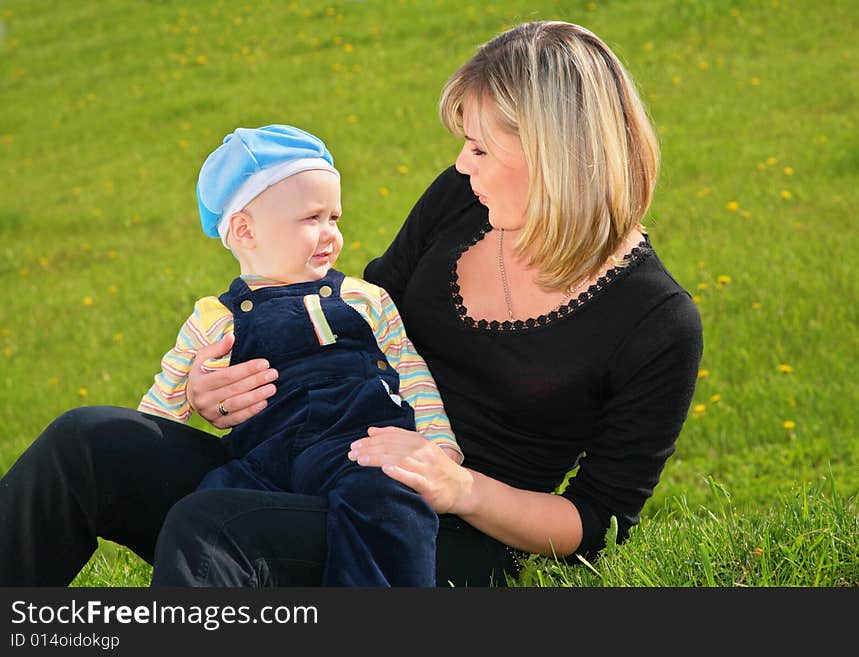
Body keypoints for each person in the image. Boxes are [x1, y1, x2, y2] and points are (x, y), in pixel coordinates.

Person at [0, 20, 702, 588]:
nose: (461, 164)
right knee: (84, 443)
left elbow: (595, 523)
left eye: (479, 147)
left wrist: (459, 487)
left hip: (439, 534)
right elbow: (361, 317)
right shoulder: (464, 201)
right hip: (312, 451)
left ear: (555, 157)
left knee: (213, 528)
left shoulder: (656, 323)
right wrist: (215, 387)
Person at [137, 123, 462, 586]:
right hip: (264, 463)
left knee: (388, 504)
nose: (331, 233)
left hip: (359, 445)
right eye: (312, 218)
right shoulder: (213, 318)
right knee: (205, 511)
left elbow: (410, 374)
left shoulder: (363, 298)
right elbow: (166, 400)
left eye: (335, 218)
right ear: (245, 230)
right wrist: (148, 447)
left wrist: (439, 445)